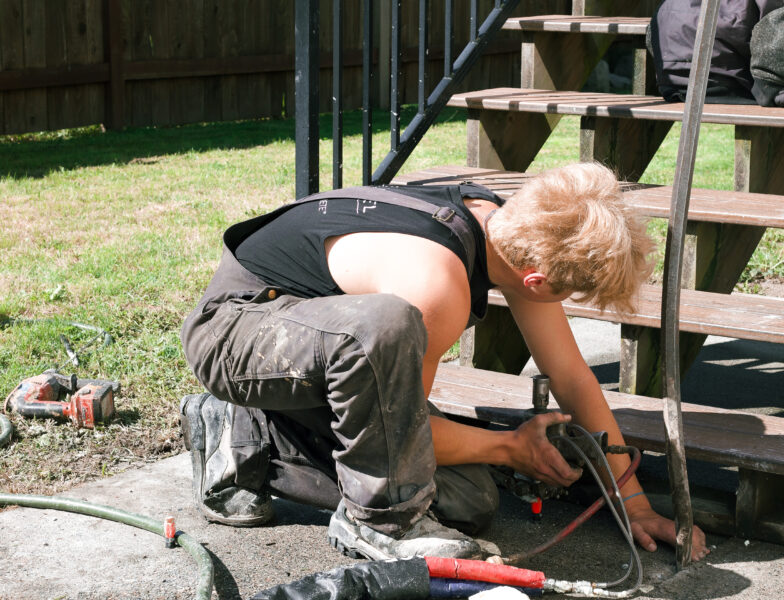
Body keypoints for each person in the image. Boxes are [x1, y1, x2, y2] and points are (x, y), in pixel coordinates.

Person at [180, 162, 709, 562]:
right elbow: (407, 435)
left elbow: (572, 377)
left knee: (468, 500)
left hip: (313, 341)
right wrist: (508, 446)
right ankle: (375, 522)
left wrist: (634, 503)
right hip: (238, 331)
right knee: (388, 330)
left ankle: (251, 431)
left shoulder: (510, 231)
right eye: (566, 295)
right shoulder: (437, 286)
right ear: (538, 282)